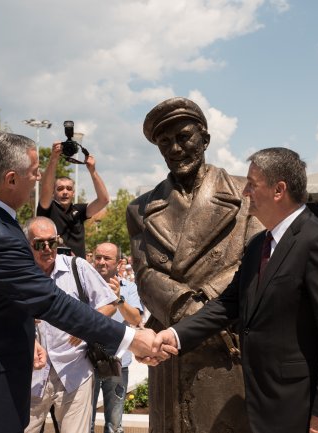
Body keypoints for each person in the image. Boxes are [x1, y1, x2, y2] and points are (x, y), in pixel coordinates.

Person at [0, 130, 164, 433]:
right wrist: (130, 338)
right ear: (10, 179)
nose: (37, 180)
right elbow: (51, 301)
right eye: (34, 173)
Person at [154, 147, 318, 433]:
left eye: (252, 184)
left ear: (279, 190)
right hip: (263, 402)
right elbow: (229, 303)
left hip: (303, 407)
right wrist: (176, 335)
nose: (245, 192)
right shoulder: (258, 246)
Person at [126, 97, 262, 433]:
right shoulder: (141, 209)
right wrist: (189, 315)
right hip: (171, 349)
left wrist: (205, 312)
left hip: (227, 342)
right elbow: (145, 276)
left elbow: (257, 261)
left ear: (205, 139)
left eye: (183, 137)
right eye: (164, 142)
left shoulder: (246, 193)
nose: (175, 148)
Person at [24, 217, 117, 433]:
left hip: (75, 373)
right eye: (39, 244)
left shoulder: (78, 268)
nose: (47, 248)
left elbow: (110, 304)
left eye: (52, 242)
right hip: (30, 376)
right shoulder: (19, 275)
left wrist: (84, 327)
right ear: (27, 244)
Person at [92, 242, 144, 433]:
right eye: (98, 257)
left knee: (114, 425)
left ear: (119, 263)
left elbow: (136, 319)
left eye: (107, 258)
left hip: (117, 363)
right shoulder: (84, 286)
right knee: (84, 423)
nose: (101, 262)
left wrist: (119, 300)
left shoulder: (129, 288)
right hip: (87, 363)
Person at [37, 142, 109, 257]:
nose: (65, 192)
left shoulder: (79, 210)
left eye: (69, 188)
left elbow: (103, 200)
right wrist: (54, 158)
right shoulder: (47, 208)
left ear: (73, 193)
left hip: (77, 267)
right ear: (53, 193)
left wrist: (92, 171)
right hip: (54, 267)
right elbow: (46, 188)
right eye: (60, 189)